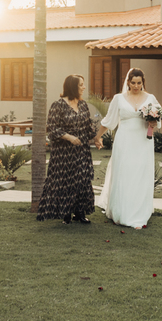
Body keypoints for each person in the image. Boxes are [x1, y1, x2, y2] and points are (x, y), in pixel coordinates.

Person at [93, 68, 160, 228]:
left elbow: (157, 122)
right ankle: (120, 211)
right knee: (124, 174)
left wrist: (153, 123)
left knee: (140, 175)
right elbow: (109, 121)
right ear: (128, 82)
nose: (136, 86)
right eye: (133, 83)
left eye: (139, 83)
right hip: (124, 141)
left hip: (143, 141)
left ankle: (139, 213)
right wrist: (98, 136)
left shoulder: (151, 98)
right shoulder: (118, 98)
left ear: (143, 82)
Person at [36, 74, 98, 224]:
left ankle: (80, 213)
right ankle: (65, 215)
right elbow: (52, 128)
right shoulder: (58, 105)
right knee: (65, 182)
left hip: (81, 151)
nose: (84, 87)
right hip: (63, 154)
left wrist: (97, 138)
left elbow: (88, 127)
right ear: (72, 87)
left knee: (82, 180)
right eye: (80, 85)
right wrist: (69, 137)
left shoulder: (83, 105)